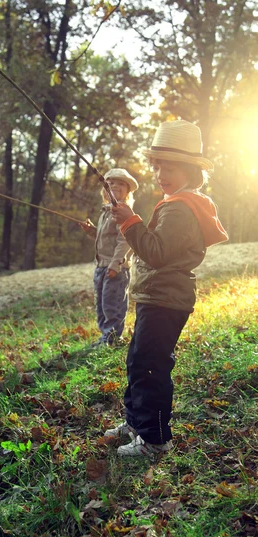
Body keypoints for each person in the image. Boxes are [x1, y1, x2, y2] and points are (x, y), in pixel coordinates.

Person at [106, 120, 228, 457]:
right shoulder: (176, 201)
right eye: (157, 164)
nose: (161, 172)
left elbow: (156, 252)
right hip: (157, 298)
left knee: (151, 367)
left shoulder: (180, 208)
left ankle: (155, 440)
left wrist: (130, 221)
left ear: (190, 169)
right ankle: (136, 423)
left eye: (170, 166)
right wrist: (130, 221)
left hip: (165, 301)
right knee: (138, 361)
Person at [80, 168, 139, 347]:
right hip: (101, 266)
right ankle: (106, 336)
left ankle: (113, 338)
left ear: (128, 191)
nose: (115, 186)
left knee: (112, 305)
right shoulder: (105, 211)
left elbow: (125, 240)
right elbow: (106, 237)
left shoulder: (123, 211)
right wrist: (91, 231)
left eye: (121, 184)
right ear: (104, 190)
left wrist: (115, 264)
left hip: (116, 269)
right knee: (102, 304)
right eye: (110, 183)